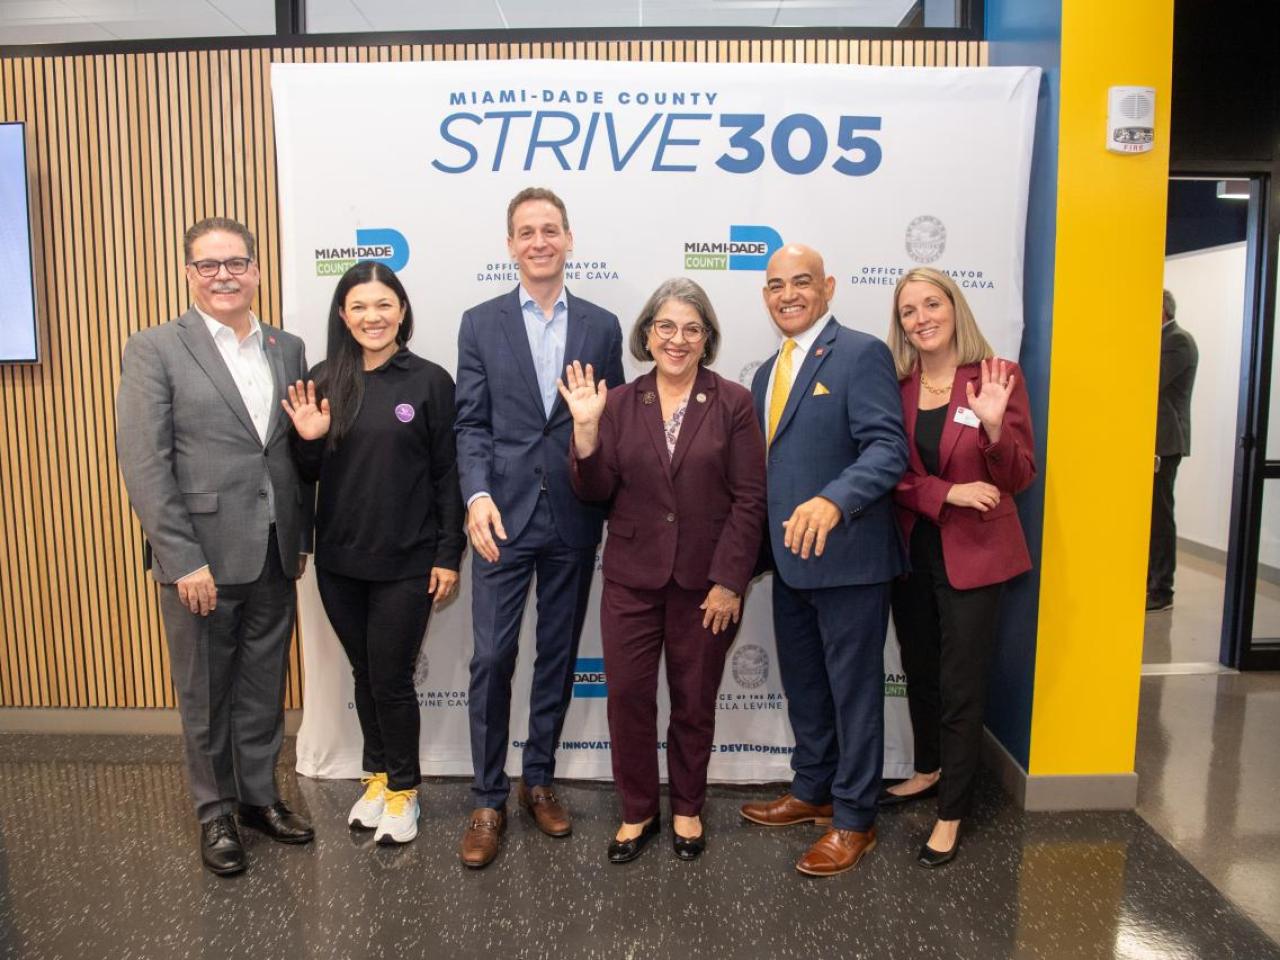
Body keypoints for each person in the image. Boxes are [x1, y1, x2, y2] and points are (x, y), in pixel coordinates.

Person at [116, 217, 315, 876]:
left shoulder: (288, 347)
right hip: (200, 557)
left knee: (262, 686)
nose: (224, 275)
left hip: (274, 550)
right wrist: (181, 557)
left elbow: (290, 452)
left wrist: (301, 533)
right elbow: (145, 461)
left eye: (236, 262)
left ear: (257, 270)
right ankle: (214, 811)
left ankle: (258, 797)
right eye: (209, 265)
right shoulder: (155, 348)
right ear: (189, 273)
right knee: (204, 693)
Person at [559, 278, 766, 863]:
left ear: (708, 339)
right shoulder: (619, 402)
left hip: (707, 585)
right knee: (627, 697)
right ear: (647, 335)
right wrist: (585, 430)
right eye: (666, 327)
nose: (678, 339)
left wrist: (729, 581)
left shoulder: (733, 402)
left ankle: (688, 808)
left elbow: (751, 498)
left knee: (694, 699)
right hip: (630, 578)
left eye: (692, 329)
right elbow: (594, 490)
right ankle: (637, 811)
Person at [454, 187, 625, 868]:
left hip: (575, 515)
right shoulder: (479, 322)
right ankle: (487, 798)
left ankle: (540, 779)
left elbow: (608, 424)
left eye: (550, 229)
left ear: (569, 238)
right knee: (493, 657)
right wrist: (475, 495)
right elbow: (470, 423)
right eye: (526, 231)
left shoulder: (602, 326)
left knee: (557, 654)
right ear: (510, 245)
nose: (539, 241)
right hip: (501, 515)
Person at [739, 244, 909, 877]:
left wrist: (835, 501)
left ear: (828, 287)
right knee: (806, 688)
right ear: (765, 296)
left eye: (802, 282)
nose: (788, 294)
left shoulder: (862, 353)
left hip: (850, 561)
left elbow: (887, 450)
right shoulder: (765, 373)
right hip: (790, 564)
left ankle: (853, 819)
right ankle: (811, 791)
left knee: (854, 695)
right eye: (776, 284)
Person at [283, 261, 465, 846]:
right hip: (340, 562)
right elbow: (308, 473)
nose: (373, 316)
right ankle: (379, 775)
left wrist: (447, 553)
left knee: (390, 679)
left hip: (408, 563)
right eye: (359, 306)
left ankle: (405, 791)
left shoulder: (431, 381)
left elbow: (447, 476)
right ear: (343, 314)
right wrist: (307, 442)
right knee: (365, 673)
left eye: (384, 304)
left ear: (402, 310)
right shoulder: (323, 379)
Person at [880, 267, 1036, 868]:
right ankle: (927, 768)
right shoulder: (895, 386)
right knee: (919, 668)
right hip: (911, 551)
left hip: (977, 555)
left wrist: (995, 427)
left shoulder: (997, 377)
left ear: (954, 307)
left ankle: (952, 810)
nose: (921, 318)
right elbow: (887, 471)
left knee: (961, 683)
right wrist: (945, 493)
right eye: (908, 311)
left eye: (931, 304)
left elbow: (1019, 476)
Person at [1147, 289, 1198, 612]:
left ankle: (1162, 589)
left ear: (1161, 311)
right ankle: (1150, 579)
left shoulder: (1178, 341)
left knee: (1160, 515)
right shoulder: (1165, 340)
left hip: (1165, 444)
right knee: (1150, 515)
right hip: (1152, 443)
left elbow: (1151, 380)